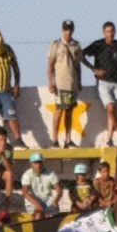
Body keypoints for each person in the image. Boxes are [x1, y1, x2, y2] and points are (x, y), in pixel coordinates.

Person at [83, 22, 117, 147]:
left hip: (116, 82)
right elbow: (81, 55)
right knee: (110, 108)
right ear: (104, 32)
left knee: (112, 111)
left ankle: (109, 138)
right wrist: (94, 69)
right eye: (108, 31)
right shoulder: (98, 44)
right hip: (103, 82)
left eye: (112, 31)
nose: (111, 34)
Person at [48, 20, 83, 148]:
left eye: (70, 29)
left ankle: (68, 140)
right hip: (60, 83)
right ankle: (54, 140)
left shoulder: (76, 45)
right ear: (62, 30)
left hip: (72, 83)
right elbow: (51, 64)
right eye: (66, 29)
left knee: (69, 111)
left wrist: (79, 81)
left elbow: (78, 64)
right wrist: (50, 82)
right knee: (59, 111)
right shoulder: (56, 44)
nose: (68, 31)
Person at [20, 153, 62, 220]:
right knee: (38, 215)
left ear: (43, 163)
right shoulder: (27, 174)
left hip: (48, 199)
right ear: (31, 164)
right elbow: (25, 192)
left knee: (54, 215)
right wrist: (37, 204)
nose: (38, 165)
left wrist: (56, 201)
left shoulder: (50, 173)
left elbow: (59, 190)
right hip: (33, 199)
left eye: (40, 162)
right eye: (36, 163)